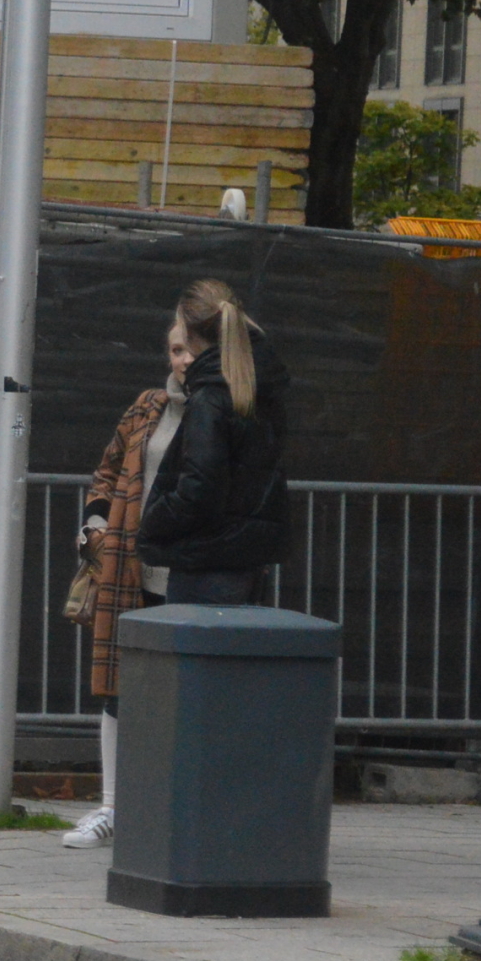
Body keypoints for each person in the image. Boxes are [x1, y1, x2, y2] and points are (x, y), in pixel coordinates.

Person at [59, 279, 289, 849]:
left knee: (191, 690)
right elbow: (109, 471)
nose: (178, 361)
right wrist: (96, 523)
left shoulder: (230, 404)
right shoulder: (149, 405)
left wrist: (151, 527)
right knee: (118, 688)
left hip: (185, 560)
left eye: (186, 350)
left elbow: (210, 487)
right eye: (172, 350)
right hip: (134, 570)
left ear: (211, 348)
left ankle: (182, 809)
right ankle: (114, 806)